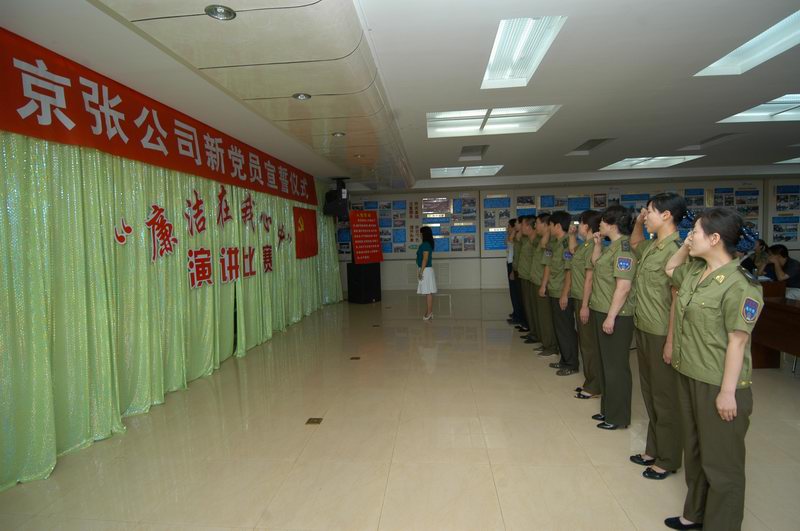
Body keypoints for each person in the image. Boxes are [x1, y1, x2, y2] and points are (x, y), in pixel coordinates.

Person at [664, 208, 763, 531]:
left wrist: (727, 392)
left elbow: (738, 342)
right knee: (694, 451)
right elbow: (670, 269)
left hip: (718, 383)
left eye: (695, 232)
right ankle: (694, 514)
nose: (689, 236)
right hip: (689, 373)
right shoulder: (696, 271)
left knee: (722, 463)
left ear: (715, 238)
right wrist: (686, 246)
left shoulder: (741, 284)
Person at [630, 193, 687, 480]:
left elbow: (677, 300)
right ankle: (654, 449)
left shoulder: (676, 251)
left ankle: (668, 458)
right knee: (651, 393)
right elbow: (634, 243)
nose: (645, 215)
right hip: (645, 327)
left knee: (665, 398)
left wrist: (671, 341)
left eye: (649, 211)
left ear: (666, 215)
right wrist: (639, 222)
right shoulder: (653, 246)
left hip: (662, 332)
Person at [589, 205, 637, 430]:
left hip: (616, 315)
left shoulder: (624, 250)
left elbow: (623, 287)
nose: (599, 224)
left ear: (612, 224)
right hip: (602, 310)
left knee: (616, 367)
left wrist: (611, 317)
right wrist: (598, 245)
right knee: (605, 364)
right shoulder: (611, 247)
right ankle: (608, 409)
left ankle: (618, 417)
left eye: (602, 221)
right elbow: (596, 264)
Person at [568, 210, 603, 399]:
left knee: (589, 345)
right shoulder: (585, 246)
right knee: (586, 343)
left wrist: (585, 305)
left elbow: (590, 279)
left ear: (587, 226)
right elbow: (573, 250)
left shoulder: (592, 248)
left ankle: (594, 386)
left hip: (585, 300)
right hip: (580, 298)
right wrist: (572, 235)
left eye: (580, 223)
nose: (578, 226)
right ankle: (590, 381)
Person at [540, 211, 579, 375]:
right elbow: (549, 264)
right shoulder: (555, 243)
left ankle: (571, 364)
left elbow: (569, 271)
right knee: (559, 328)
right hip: (554, 290)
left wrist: (564, 294)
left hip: (562, 293)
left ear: (557, 225)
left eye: (550, 225)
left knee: (566, 329)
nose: (548, 228)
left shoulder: (566, 244)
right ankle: (564, 359)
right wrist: (545, 286)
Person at [532, 212, 560, 357]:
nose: (535, 226)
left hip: (546, 283)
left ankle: (551, 346)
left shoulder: (551, 243)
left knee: (546, 318)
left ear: (546, 224)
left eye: (537, 223)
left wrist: (543, 285)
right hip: (538, 281)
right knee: (542, 317)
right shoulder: (545, 241)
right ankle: (546, 343)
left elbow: (548, 266)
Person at [517, 217, 540, 343]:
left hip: (531, 278)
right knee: (528, 306)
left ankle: (535, 333)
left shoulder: (537, 241)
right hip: (527, 276)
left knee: (532, 308)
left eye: (523, 225)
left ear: (530, 227)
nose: (521, 227)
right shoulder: (528, 240)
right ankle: (533, 331)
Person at [506, 219, 525, 325]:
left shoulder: (518, 237)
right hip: (511, 264)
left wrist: (514, 231)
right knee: (513, 292)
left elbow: (516, 255)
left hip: (514, 265)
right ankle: (516, 313)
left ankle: (519, 316)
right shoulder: (513, 236)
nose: (507, 228)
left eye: (509, 226)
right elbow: (507, 241)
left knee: (516, 293)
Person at [417, 226, 437, 320]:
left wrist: (421, 272)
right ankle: (430, 312)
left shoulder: (425, 244)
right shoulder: (427, 244)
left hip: (426, 270)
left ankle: (429, 312)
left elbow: (425, 259)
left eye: (421, 233)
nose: (420, 234)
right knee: (428, 292)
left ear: (424, 234)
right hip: (426, 269)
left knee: (428, 292)